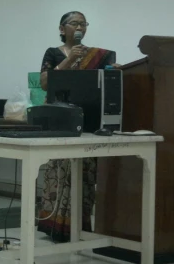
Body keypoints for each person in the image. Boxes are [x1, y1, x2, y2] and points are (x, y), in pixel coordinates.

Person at [36, 12, 118, 241]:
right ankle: (54, 226)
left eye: (83, 23)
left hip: (89, 121)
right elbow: (45, 83)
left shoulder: (97, 56)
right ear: (62, 29)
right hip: (60, 120)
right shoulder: (53, 53)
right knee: (59, 170)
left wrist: (115, 70)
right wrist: (69, 59)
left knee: (85, 171)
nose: (80, 26)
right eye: (75, 23)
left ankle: (79, 226)